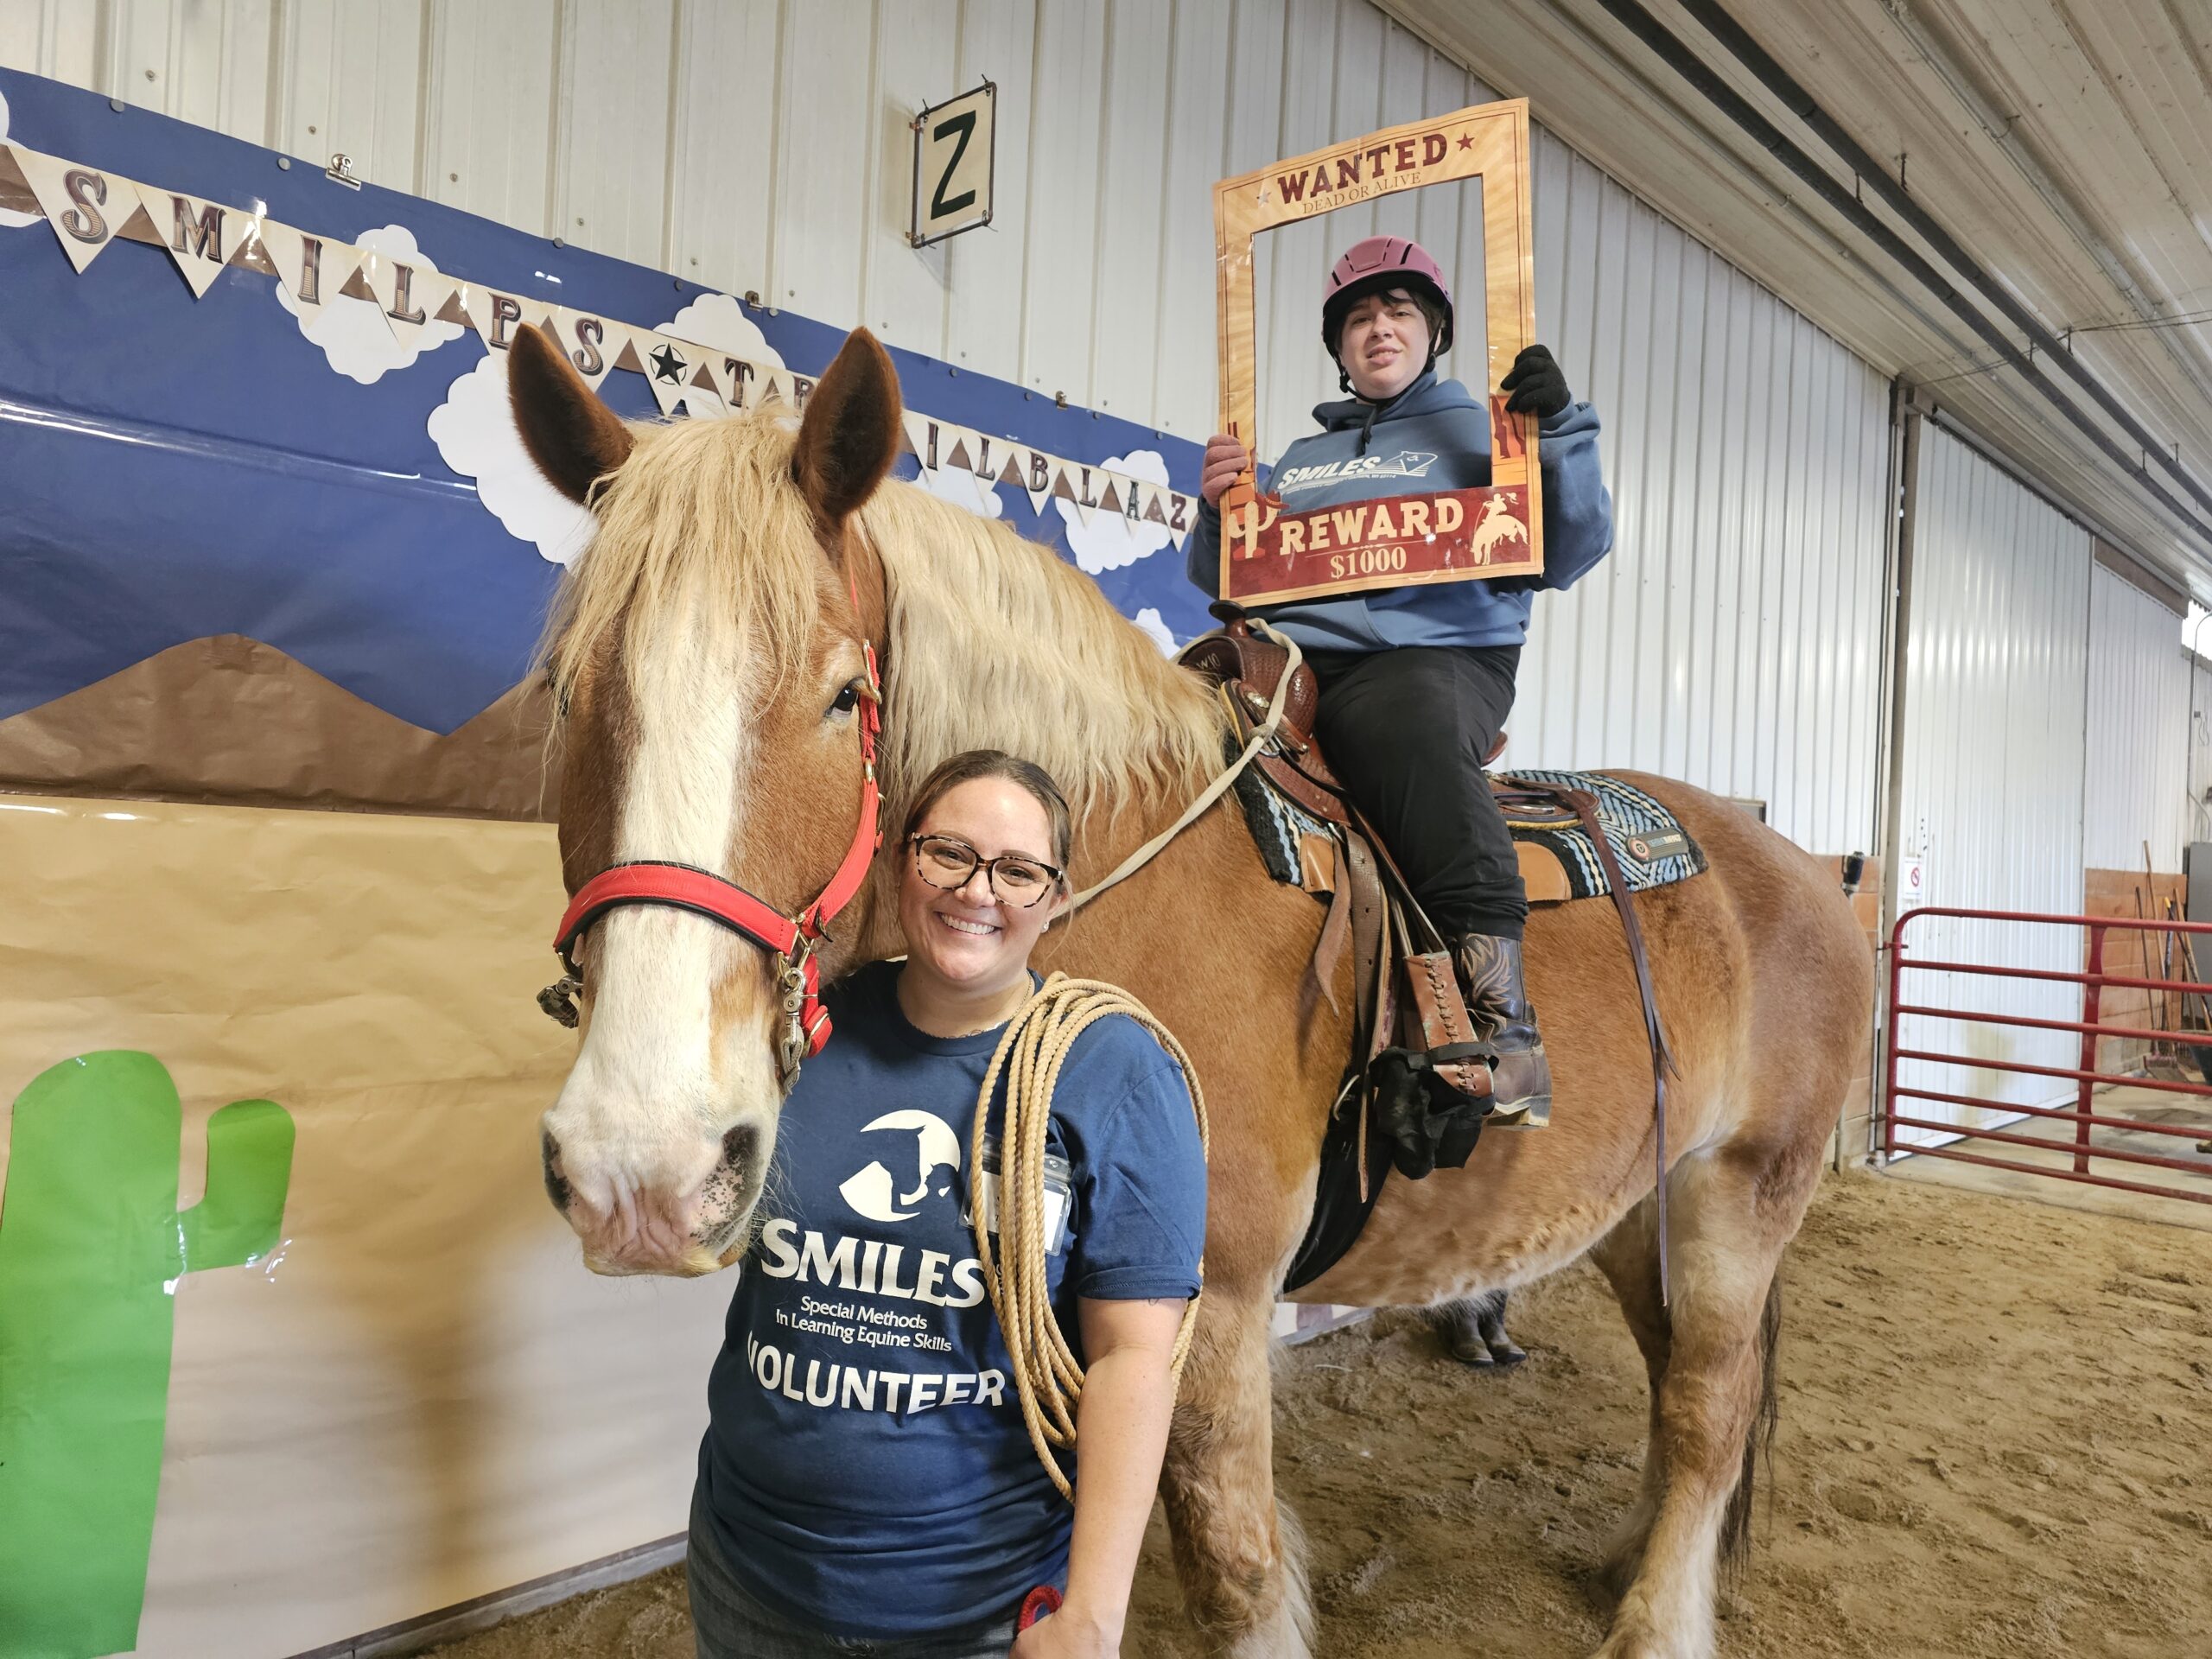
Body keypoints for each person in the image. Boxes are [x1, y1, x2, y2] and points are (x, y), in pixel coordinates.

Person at [688, 750, 1207, 1659]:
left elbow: (1132, 1356)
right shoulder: (801, 1027)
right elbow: (714, 1224)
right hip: (749, 1570)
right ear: (900, 864)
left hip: (972, 1607)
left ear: (1057, 898)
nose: (978, 890)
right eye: (948, 855)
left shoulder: (1113, 1072)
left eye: (1017, 871)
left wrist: (1092, 1614)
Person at [1188, 234, 1615, 1118]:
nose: (1377, 328)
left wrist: (1560, 434)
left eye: (1398, 312)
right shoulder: (1303, 461)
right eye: (1357, 317)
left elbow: (1570, 550)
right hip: (1301, 653)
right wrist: (1215, 511)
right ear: (1338, 345)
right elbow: (1227, 580)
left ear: (1434, 332)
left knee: (1401, 728)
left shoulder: (1489, 430)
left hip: (1440, 651)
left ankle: (1504, 1030)